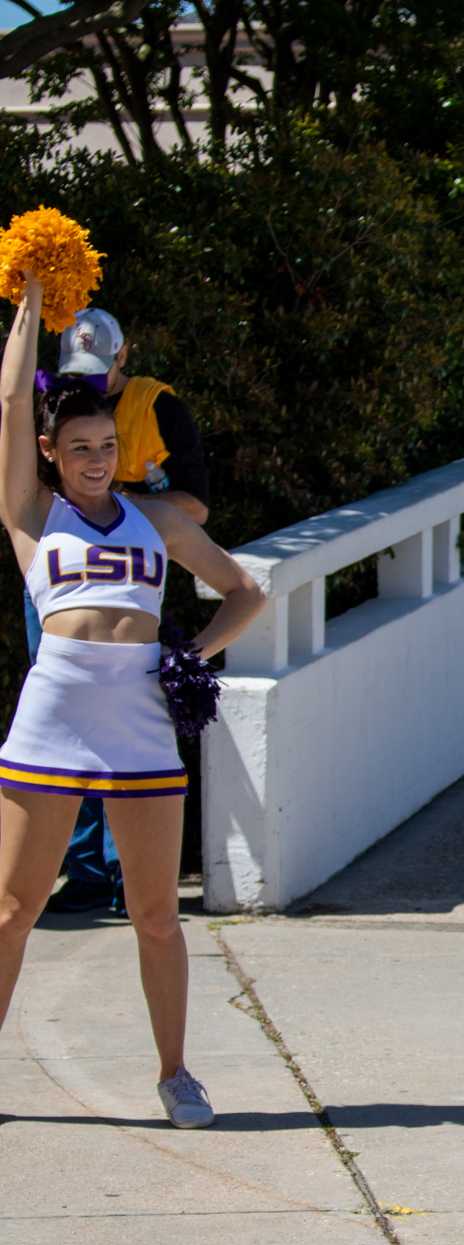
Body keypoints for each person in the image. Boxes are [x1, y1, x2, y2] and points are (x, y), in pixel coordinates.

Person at [0, 275, 266, 1126]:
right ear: (50, 452)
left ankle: (176, 1073)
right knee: (13, 907)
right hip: (52, 718)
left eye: (105, 446)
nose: (95, 460)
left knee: (155, 914)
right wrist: (30, 304)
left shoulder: (157, 518)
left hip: (141, 723)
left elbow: (244, 591)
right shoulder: (32, 517)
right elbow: (11, 396)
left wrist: (189, 656)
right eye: (78, 447)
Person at [31, 307, 211, 915]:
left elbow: (196, 505)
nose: (89, 385)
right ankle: (82, 870)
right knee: (66, 732)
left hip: (136, 576)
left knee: (126, 737)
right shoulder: (55, 407)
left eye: (100, 372)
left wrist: (122, 508)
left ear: (124, 357)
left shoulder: (160, 406)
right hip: (63, 580)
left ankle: (121, 874)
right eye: (77, 373)